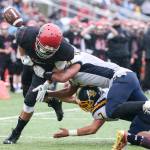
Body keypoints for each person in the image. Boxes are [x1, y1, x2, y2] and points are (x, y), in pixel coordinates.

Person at [3, 15, 75, 144]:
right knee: (26, 94)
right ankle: (54, 102)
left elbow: (59, 70)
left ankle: (16, 133)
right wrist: (24, 58)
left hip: (44, 71)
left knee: (29, 100)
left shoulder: (66, 51)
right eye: (44, 46)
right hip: (29, 63)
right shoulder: (26, 35)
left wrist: (47, 79)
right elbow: (21, 43)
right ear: (37, 38)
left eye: (51, 48)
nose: (46, 50)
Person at [51, 86, 150, 149]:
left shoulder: (101, 108)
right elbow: (75, 100)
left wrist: (68, 132)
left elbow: (92, 129)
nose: (85, 107)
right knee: (139, 137)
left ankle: (128, 136)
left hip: (144, 111)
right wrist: (50, 94)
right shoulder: (107, 92)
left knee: (136, 137)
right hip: (143, 109)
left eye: (87, 104)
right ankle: (128, 136)